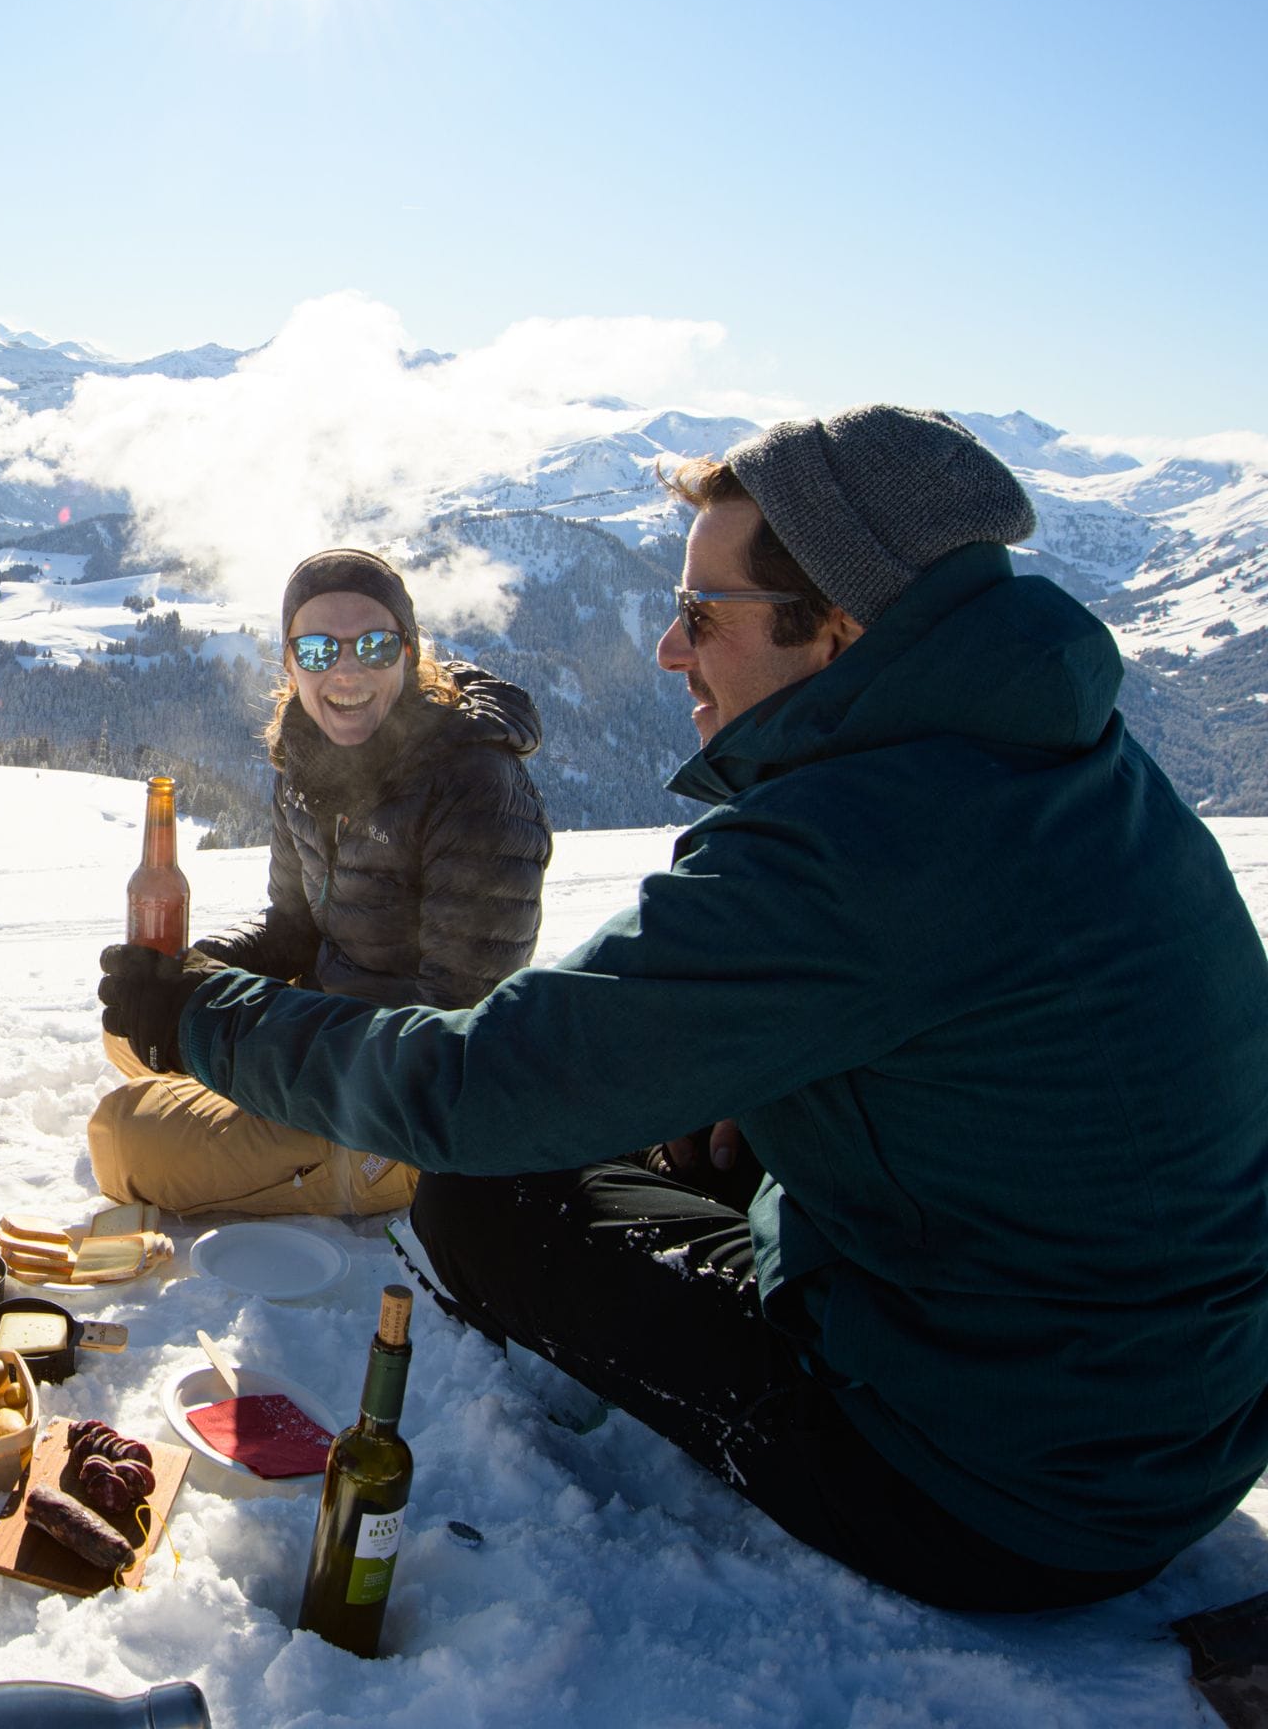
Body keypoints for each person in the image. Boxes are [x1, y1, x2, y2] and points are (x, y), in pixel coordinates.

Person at [99, 405, 1268, 1612]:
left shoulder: (855, 841)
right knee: (643, 1121)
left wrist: (199, 1020)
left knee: (487, 1198)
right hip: (1165, 1419)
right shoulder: (1061, 762)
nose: (666, 647)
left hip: (1000, 1493)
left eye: (703, 614)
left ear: (843, 628)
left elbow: (484, 1086)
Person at [87, 547, 550, 1216]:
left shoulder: (473, 783)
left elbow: (449, 1028)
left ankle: (369, 1173)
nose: (346, 669)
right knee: (131, 1024)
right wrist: (197, 971)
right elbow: (294, 930)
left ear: (410, 653)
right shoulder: (304, 759)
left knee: (121, 1138)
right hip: (328, 1028)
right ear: (289, 663)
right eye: (316, 649)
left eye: (373, 644)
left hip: (409, 1097)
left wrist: (233, 1023)